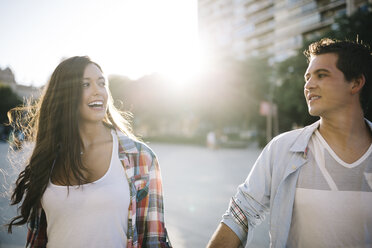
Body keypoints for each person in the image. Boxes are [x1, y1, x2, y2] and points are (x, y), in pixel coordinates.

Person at [207, 38, 372, 247]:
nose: (309, 85)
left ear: (356, 83)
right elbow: (241, 214)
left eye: (322, 75)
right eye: (308, 77)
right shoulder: (282, 149)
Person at [7, 56, 171, 248]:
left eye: (102, 83)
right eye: (85, 85)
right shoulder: (47, 157)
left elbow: (154, 241)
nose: (98, 91)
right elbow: (37, 238)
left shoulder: (140, 157)